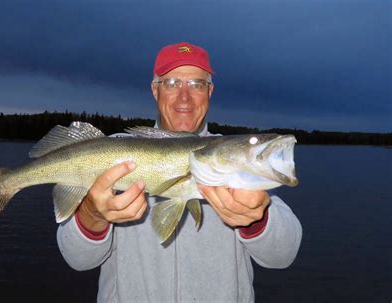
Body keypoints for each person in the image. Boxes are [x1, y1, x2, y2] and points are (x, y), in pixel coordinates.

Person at [57, 42, 302, 302]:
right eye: (172, 83)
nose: (184, 97)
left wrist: (257, 218)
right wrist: (91, 214)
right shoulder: (112, 150)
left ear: (210, 92)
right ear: (155, 90)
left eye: (196, 84)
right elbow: (78, 259)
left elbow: (282, 256)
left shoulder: (233, 166)